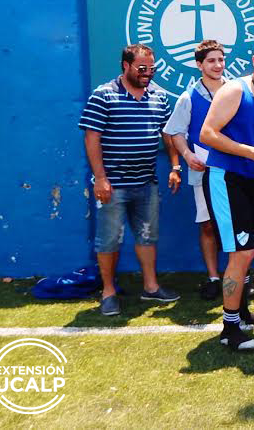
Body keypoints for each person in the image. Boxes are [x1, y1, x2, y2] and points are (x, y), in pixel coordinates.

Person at [79, 44, 182, 317]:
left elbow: (168, 134)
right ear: (125, 65)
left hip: (146, 183)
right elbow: (92, 138)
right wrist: (100, 179)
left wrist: (175, 166)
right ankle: (109, 292)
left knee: (148, 236)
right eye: (142, 68)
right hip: (112, 185)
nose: (148, 73)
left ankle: (151, 287)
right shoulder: (103, 95)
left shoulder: (159, 96)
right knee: (109, 240)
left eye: (152, 69)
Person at [200, 39, 254, 351]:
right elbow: (207, 133)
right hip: (226, 178)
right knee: (240, 254)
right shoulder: (235, 90)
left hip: (250, 179)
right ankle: (229, 329)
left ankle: (243, 313)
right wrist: (249, 152)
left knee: (247, 250)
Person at [164, 39, 227, 300]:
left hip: (235, 170)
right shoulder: (188, 97)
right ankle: (214, 278)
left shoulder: (237, 90)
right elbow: (174, 131)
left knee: (236, 226)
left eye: (221, 60)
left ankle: (240, 278)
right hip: (203, 171)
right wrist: (187, 155)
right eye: (211, 60)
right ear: (199, 64)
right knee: (208, 225)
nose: (217, 65)